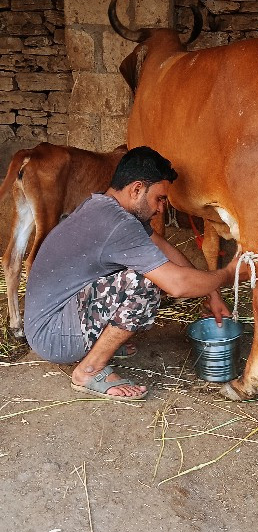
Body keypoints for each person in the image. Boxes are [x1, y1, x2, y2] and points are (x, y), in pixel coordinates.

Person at [24, 146, 240, 401]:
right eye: (159, 198)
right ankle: (90, 369)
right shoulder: (118, 225)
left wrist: (212, 295)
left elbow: (166, 250)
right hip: (54, 336)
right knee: (145, 281)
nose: (161, 209)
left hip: (50, 323)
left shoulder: (103, 206)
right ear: (137, 189)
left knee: (146, 269)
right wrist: (229, 274)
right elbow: (176, 284)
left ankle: (99, 342)